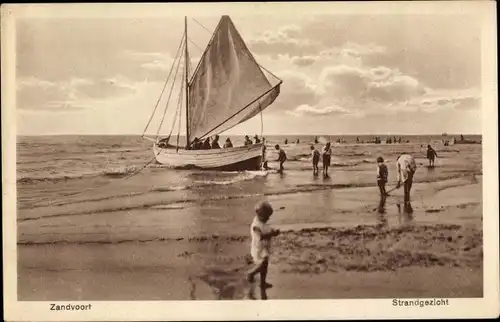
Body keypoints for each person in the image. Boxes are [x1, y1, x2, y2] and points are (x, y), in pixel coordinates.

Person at [246, 201, 280, 292]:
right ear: (260, 215)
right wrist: (272, 234)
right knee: (263, 264)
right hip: (258, 249)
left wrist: (273, 231)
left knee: (265, 266)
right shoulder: (255, 226)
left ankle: (262, 283)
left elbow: (266, 229)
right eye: (267, 216)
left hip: (264, 248)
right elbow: (261, 236)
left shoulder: (262, 223)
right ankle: (251, 274)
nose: (268, 218)